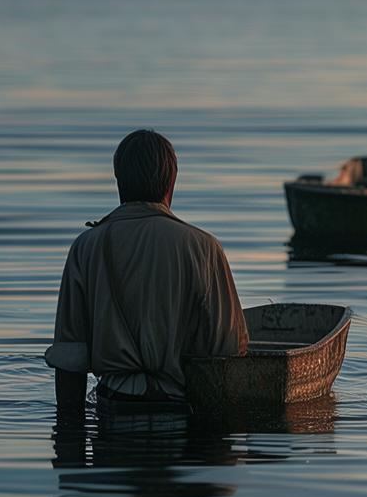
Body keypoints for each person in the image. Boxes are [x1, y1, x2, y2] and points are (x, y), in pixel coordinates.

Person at [45, 129, 248, 412]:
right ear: (172, 182)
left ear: (119, 180)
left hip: (113, 407)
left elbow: (69, 358)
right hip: (181, 409)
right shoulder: (204, 247)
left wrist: (69, 432)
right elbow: (228, 350)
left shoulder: (86, 247)